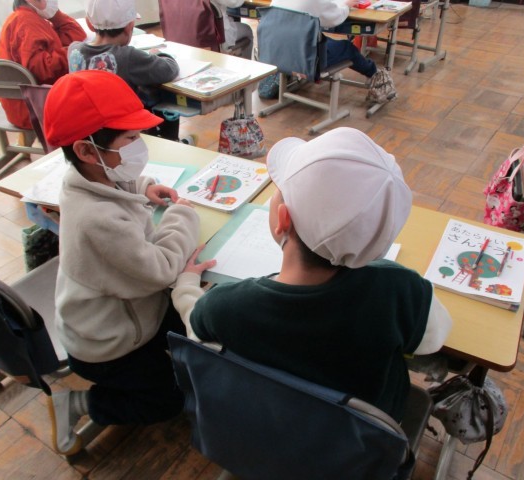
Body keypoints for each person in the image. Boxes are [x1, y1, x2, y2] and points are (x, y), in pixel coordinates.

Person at [172, 127, 452, 422]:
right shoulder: (400, 290)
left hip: (266, 428)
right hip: (360, 441)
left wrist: (187, 285)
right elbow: (433, 339)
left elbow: (196, 328)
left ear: (283, 220)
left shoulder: (225, 306)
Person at [42, 69, 201, 455]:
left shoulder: (85, 177)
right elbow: (163, 268)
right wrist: (183, 215)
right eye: (130, 139)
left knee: (196, 322)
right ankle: (80, 403)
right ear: (86, 150)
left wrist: (143, 186)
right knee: (167, 401)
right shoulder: (96, 219)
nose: (138, 146)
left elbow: (113, 185)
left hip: (130, 313)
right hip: (108, 345)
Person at [68, 0, 189, 143]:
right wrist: (157, 55)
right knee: (156, 93)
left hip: (91, 131)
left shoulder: (74, 51)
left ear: (89, 24)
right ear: (129, 27)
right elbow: (168, 70)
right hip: (126, 132)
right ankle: (171, 141)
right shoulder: (127, 56)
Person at [270, 0, 398, 104]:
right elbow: (334, 18)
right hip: (306, 57)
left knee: (324, 39)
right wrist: (347, 5)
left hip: (276, 53)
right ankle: (375, 75)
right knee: (347, 48)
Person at [0, 0, 86, 129]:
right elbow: (42, 69)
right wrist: (74, 51)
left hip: (24, 106)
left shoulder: (26, 18)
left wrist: (55, 15)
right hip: (36, 110)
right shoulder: (27, 22)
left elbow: (76, 35)